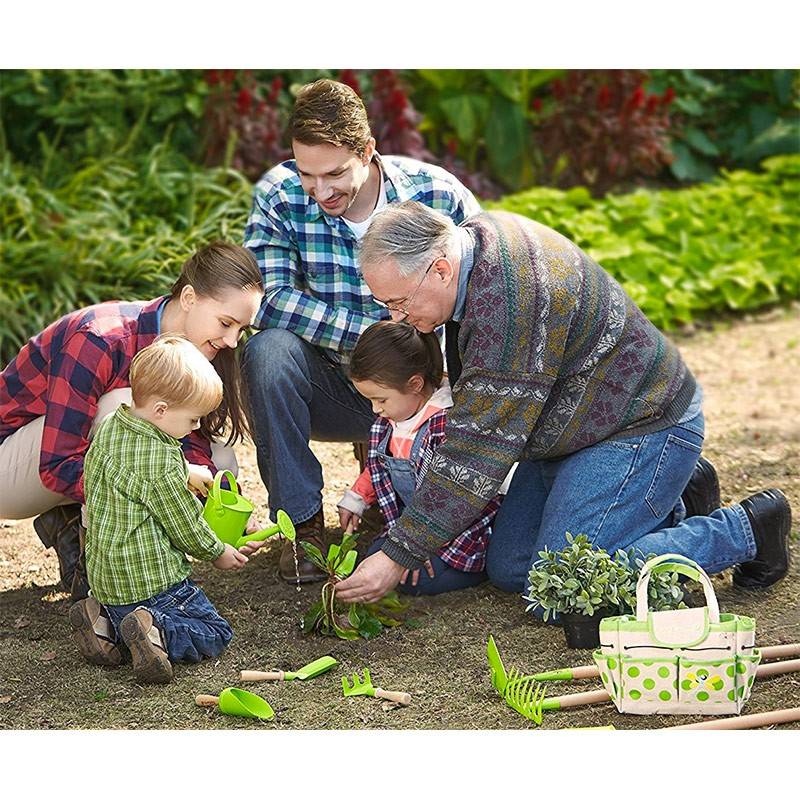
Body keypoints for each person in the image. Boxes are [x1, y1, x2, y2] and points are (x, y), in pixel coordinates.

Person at [335, 201, 792, 605]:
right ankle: (675, 493)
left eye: (398, 301)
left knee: (559, 579)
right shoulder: (473, 241)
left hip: (639, 424)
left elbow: (478, 449)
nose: (397, 317)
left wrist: (399, 554)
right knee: (514, 569)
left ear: (440, 269)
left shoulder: (508, 303)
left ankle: (748, 529)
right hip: (574, 429)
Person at [242, 78, 481, 584]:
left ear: (368, 151)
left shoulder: (435, 193)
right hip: (334, 387)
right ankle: (301, 526)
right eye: (308, 173)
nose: (321, 190)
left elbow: (485, 287)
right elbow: (269, 298)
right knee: (267, 352)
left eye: (335, 173)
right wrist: (374, 338)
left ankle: (404, 505)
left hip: (427, 396)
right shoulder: (281, 197)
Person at [0, 242, 262, 601]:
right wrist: (169, 482)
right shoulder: (101, 339)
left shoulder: (199, 349)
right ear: (188, 298)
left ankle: (72, 521)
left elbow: (193, 443)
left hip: (73, 461)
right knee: (125, 406)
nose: (232, 341)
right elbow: (57, 463)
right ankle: (101, 580)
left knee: (220, 459)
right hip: (11, 462)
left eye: (241, 329)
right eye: (226, 323)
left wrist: (219, 510)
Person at [70, 336, 249, 684]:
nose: (195, 428)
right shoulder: (163, 462)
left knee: (126, 615)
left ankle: (103, 623)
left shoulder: (109, 427)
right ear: (162, 411)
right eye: (194, 420)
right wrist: (217, 552)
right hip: (153, 585)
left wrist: (186, 470)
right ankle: (158, 632)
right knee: (215, 631)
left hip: (107, 581)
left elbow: (134, 469)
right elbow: (184, 526)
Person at [337, 321, 501, 595]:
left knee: (418, 581)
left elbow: (456, 498)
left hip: (459, 533)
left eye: (381, 400)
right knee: (371, 559)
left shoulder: (445, 424)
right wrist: (357, 498)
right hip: (412, 526)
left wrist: (417, 548)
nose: (376, 409)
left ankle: (477, 566)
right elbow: (377, 464)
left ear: (415, 384)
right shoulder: (390, 421)